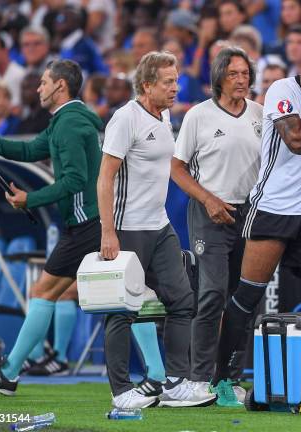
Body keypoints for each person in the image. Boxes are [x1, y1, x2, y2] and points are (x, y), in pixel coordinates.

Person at [211, 42, 301, 406]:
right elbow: (297, 141)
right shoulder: (282, 91)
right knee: (248, 296)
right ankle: (222, 379)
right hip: (273, 209)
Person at [0, 60, 104, 396]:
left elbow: (73, 180)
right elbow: (29, 149)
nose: (37, 88)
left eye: (43, 83)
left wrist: (31, 200)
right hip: (87, 223)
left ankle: (10, 372)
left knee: (44, 293)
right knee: (119, 301)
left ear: (60, 86)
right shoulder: (65, 121)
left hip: (85, 223)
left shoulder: (69, 124)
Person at [97, 51, 214, 409]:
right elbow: (104, 179)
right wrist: (108, 231)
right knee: (122, 311)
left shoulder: (163, 115)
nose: (175, 88)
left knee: (182, 302)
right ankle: (121, 393)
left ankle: (175, 383)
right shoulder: (124, 119)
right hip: (127, 229)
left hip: (160, 226)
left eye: (176, 81)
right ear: (147, 85)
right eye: (168, 82)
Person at [172, 47, 262, 401]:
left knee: (243, 300)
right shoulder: (198, 116)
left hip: (250, 215)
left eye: (245, 74)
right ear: (219, 78)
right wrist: (208, 199)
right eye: (234, 74)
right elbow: (176, 169)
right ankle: (198, 379)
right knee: (211, 296)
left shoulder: (260, 114)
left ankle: (229, 379)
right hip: (209, 213)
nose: (241, 80)